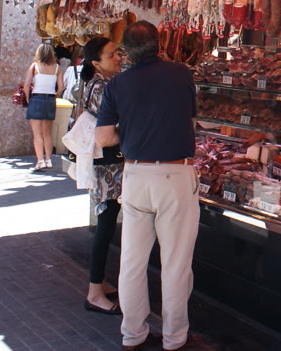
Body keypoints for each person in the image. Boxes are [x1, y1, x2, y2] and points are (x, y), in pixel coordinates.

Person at [95, 21, 201, 351]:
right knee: (175, 264)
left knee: (132, 262)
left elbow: (103, 138)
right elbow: (190, 120)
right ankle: (174, 338)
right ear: (159, 44)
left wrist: (131, 131)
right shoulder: (181, 73)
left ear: (126, 51)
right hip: (175, 176)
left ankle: (133, 335)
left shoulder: (117, 84)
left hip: (136, 175)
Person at [75, 37, 126, 316]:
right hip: (106, 166)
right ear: (96, 62)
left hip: (107, 164)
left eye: (118, 52)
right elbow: (107, 133)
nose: (118, 58)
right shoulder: (102, 87)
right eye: (111, 55)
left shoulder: (100, 83)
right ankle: (94, 293)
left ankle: (100, 283)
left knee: (106, 225)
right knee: (105, 226)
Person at [23, 43, 63, 170]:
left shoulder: (35, 66)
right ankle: (48, 160)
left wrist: (27, 97)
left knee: (37, 134)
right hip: (50, 99)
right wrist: (55, 96)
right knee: (48, 133)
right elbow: (61, 87)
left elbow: (26, 85)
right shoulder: (57, 68)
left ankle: (40, 161)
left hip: (36, 98)